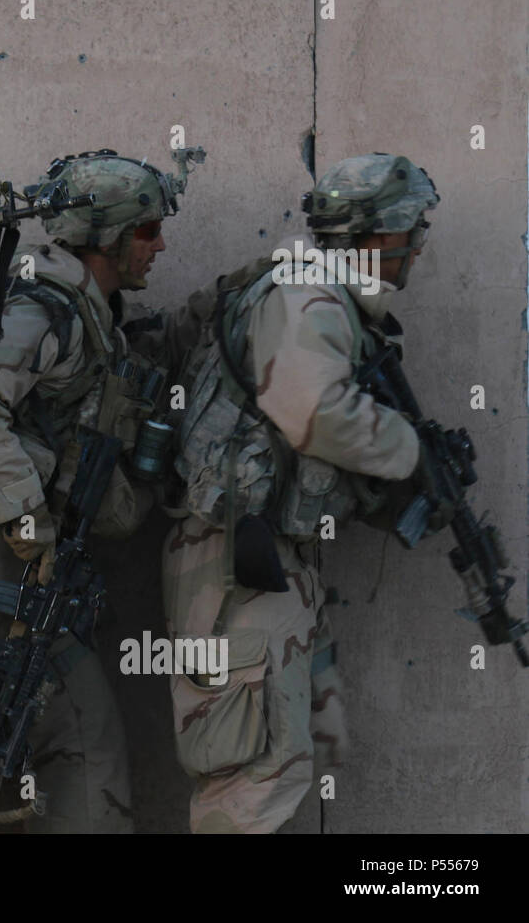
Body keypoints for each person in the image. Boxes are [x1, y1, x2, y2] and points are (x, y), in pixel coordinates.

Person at [0, 149, 197, 832]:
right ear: (106, 234)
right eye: (145, 230)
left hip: (36, 571)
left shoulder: (92, 317)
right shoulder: (40, 309)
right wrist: (29, 526)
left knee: (86, 742)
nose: (159, 243)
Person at [165, 153, 439, 833]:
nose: (419, 246)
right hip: (237, 564)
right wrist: (411, 450)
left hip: (265, 560)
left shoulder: (318, 298)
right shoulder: (308, 298)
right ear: (377, 236)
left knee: (280, 760)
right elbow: (312, 410)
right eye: (413, 229)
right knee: (249, 784)